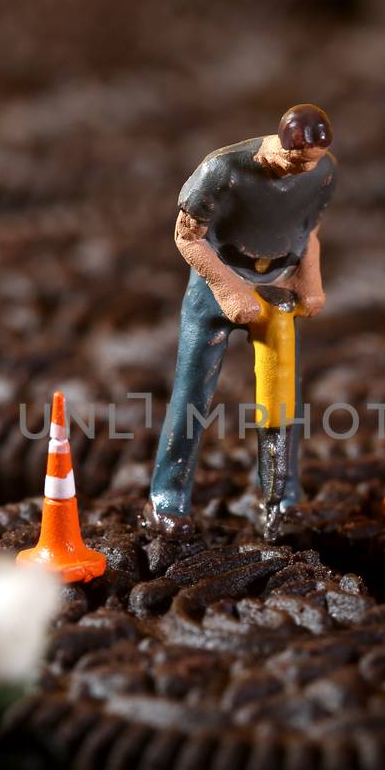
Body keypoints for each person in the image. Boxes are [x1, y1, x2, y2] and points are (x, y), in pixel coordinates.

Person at [146, 104, 337, 538]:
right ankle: (167, 497)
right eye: (296, 160)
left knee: (282, 395)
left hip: (279, 282)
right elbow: (187, 237)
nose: (302, 169)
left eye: (312, 161)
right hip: (220, 280)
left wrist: (311, 281)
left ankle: (279, 498)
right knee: (194, 394)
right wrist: (229, 288)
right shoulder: (223, 170)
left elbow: (309, 234)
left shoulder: (322, 173)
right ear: (281, 144)